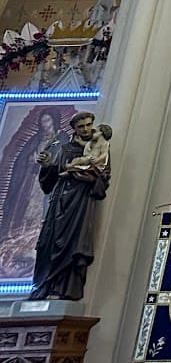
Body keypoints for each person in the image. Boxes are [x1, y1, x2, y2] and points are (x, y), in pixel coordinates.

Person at [30, 112, 110, 300]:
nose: (86, 129)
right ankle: (44, 286)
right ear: (74, 129)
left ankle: (66, 288)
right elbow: (49, 181)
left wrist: (88, 177)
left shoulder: (100, 148)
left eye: (88, 125)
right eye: (81, 126)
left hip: (80, 202)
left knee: (74, 242)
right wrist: (48, 165)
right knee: (48, 242)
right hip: (60, 200)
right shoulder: (65, 149)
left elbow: (104, 176)